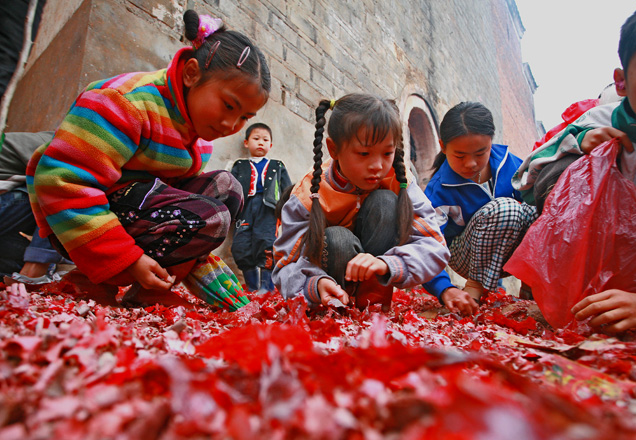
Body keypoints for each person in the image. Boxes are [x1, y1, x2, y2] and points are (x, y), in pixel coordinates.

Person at [25, 10, 270, 309]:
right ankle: (92, 278)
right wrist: (127, 259)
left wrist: (205, 269)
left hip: (137, 212)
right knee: (213, 216)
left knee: (227, 188)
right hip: (76, 219)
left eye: (244, 117)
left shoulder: (199, 138)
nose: (232, 125)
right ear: (191, 74)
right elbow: (62, 181)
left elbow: (180, 206)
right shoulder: (124, 103)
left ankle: (152, 290)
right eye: (228, 106)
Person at [511, 0, 636, 332]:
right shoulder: (598, 120)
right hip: (593, 260)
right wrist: (578, 141)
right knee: (565, 168)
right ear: (621, 82)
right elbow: (525, 179)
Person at [272, 93, 449, 310]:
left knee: (385, 202)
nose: (377, 166)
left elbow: (435, 246)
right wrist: (315, 284)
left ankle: (373, 303)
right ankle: (340, 304)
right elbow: (284, 265)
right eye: (364, 153)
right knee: (338, 239)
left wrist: (388, 263)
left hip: (376, 286)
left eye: (387, 153)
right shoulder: (306, 195)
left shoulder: (399, 180)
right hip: (331, 285)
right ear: (333, 149)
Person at [422, 102, 537, 316]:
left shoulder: (510, 165)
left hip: (509, 255)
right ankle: (475, 290)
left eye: (480, 153)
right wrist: (444, 289)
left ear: (491, 143)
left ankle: (531, 287)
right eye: (460, 156)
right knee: (505, 208)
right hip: (465, 254)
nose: (471, 164)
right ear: (443, 147)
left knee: (542, 209)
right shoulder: (439, 191)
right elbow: (427, 244)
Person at [230, 122, 291, 292]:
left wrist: (285, 211)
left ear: (270, 145)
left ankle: (267, 287)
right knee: (240, 245)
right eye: (256, 138)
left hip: (268, 210)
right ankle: (251, 287)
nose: (261, 142)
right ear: (246, 143)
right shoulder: (239, 165)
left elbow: (287, 189)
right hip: (244, 209)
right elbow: (231, 188)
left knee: (267, 242)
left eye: (265, 140)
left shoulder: (277, 165)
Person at [0, 131, 68, 284]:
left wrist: (40, 259)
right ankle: (31, 266)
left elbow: (66, 186)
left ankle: (37, 267)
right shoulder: (62, 144)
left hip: (27, 200)